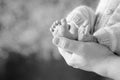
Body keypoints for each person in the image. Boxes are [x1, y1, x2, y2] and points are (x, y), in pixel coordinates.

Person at [51, 0, 120, 80]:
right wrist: (74, 24)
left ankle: (91, 40)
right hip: (94, 23)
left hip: (110, 41)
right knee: (84, 10)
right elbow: (93, 14)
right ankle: (72, 29)